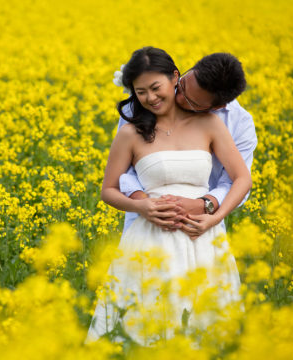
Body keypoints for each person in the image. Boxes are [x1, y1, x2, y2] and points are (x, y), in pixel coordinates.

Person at [86, 47, 252, 345]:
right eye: (141, 91)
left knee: (207, 328)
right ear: (180, 76)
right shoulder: (131, 129)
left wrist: (211, 216)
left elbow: (240, 179)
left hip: (201, 237)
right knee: (140, 327)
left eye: (156, 89)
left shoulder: (216, 123)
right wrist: (143, 205)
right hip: (149, 236)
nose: (153, 98)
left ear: (212, 106)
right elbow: (111, 186)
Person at [118, 52, 257, 237]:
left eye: (191, 101)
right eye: (182, 85)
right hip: (145, 224)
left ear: (215, 108)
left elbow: (236, 181)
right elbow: (122, 167)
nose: (179, 98)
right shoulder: (146, 101)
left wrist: (203, 205)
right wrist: (145, 203)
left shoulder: (239, 123)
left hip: (199, 227)